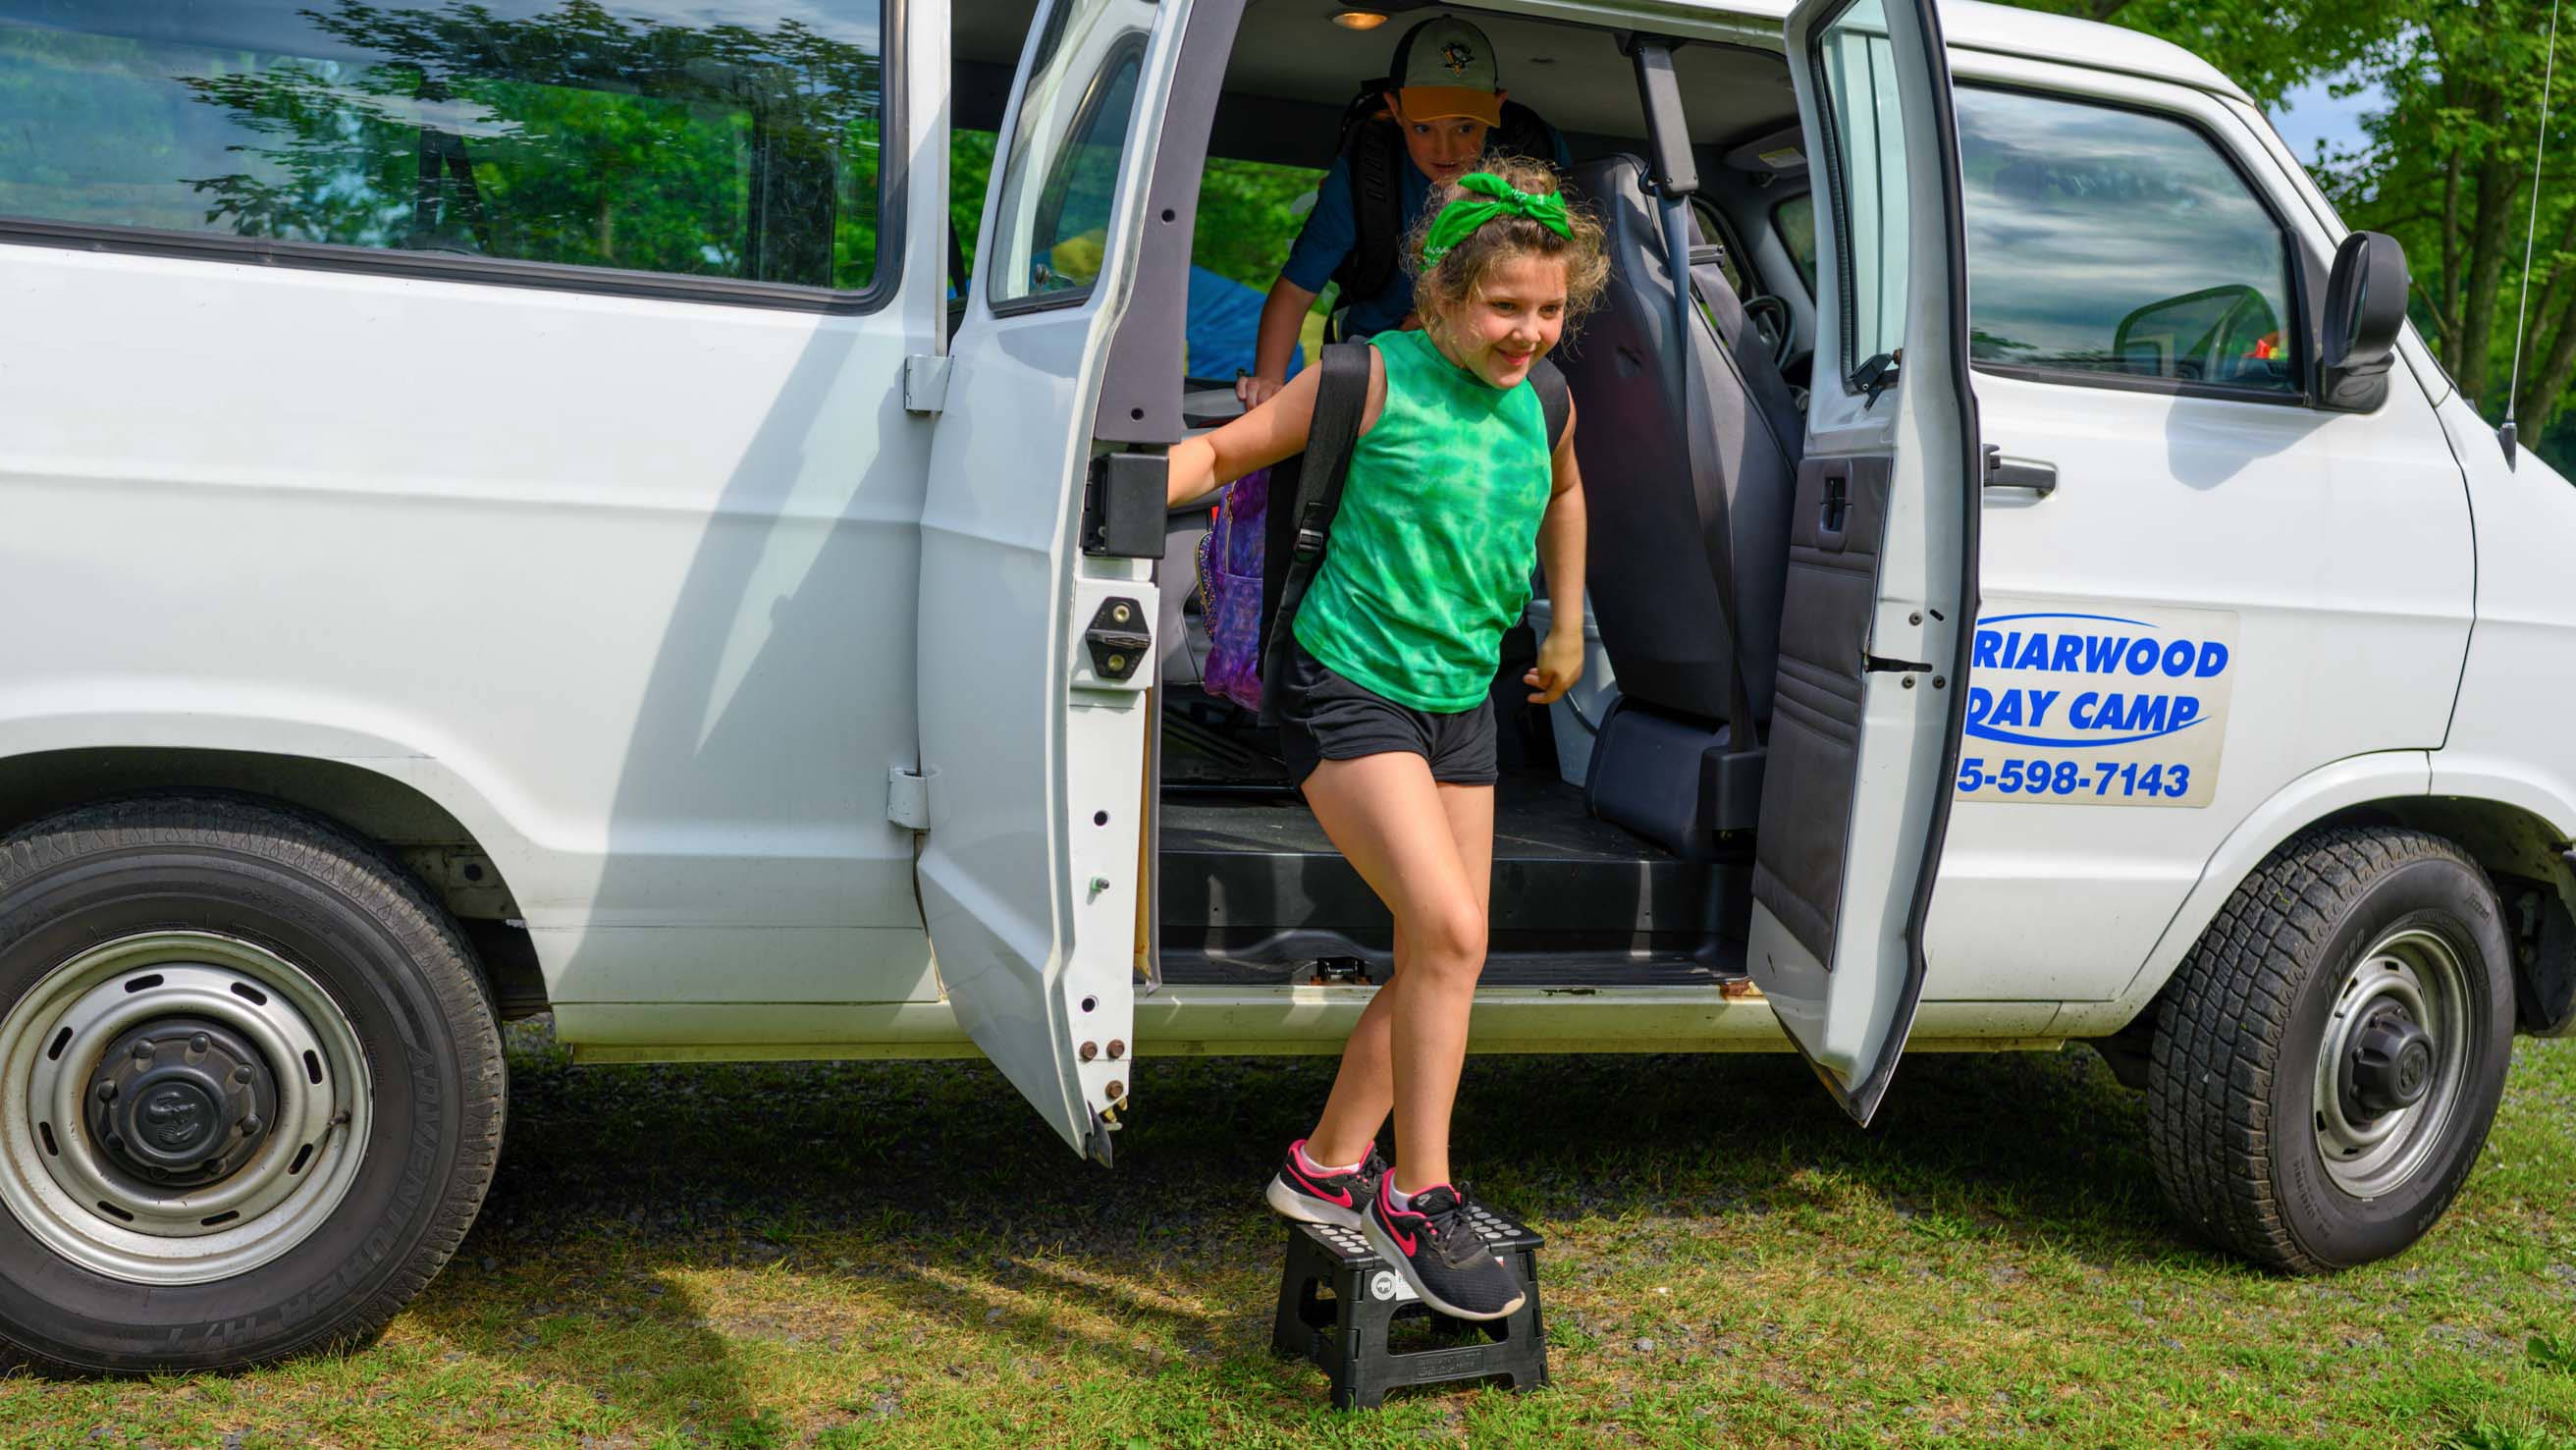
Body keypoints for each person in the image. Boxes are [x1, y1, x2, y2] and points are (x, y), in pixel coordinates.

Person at [1166, 158, 1609, 1318]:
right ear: (1443, 297)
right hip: (1346, 685)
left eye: (1548, 308)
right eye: (1503, 306)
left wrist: (1563, 624)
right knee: (1454, 928)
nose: (1527, 331)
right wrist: (1077, 500)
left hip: (1459, 696)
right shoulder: (1363, 377)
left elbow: (1565, 495)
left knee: (1439, 952)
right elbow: (1219, 453)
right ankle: (1420, 1193)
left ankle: (1320, 1170)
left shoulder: (1544, 401)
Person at [1233, 15, 1568, 407]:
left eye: (1465, 128)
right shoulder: (1367, 170)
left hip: (1498, 368)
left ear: (1496, 107)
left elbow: (1557, 285)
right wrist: (1268, 382)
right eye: (1424, 128)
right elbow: (1295, 289)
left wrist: (1433, 326)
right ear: (1394, 108)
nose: (1446, 151)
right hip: (1381, 366)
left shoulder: (1532, 159)